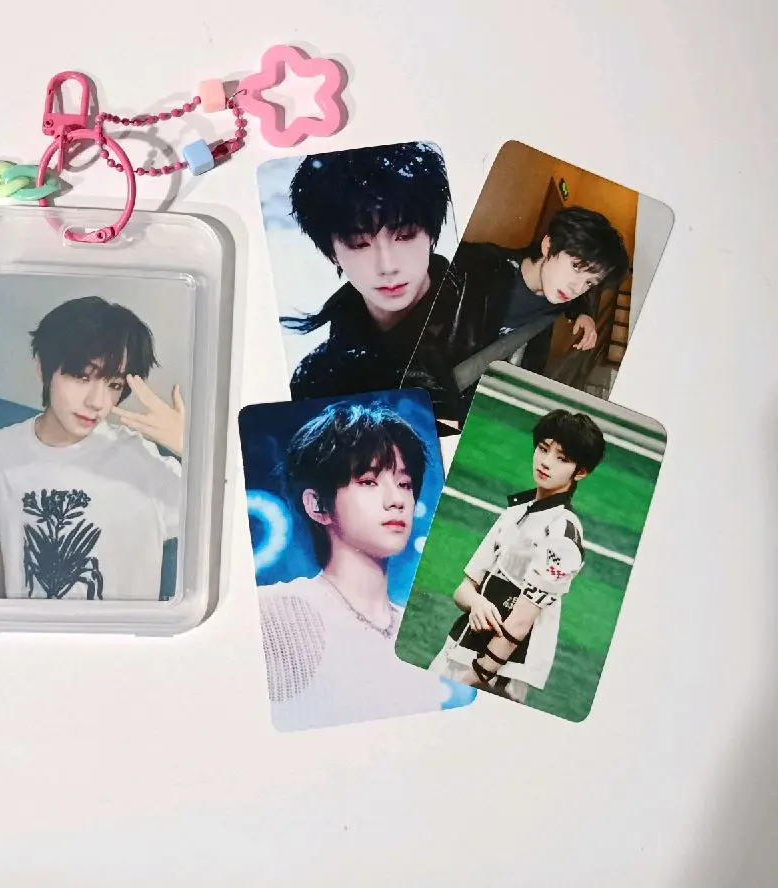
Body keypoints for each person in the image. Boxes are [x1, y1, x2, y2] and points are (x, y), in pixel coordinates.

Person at [256, 400, 473, 729]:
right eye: (369, 481)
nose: (396, 500)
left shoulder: (418, 635)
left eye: (404, 484)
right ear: (317, 505)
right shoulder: (279, 613)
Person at [0, 295, 185, 601]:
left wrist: (189, 449)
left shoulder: (141, 458)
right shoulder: (1, 451)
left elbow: (229, 522)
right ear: (43, 369)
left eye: (114, 385)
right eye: (82, 376)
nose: (97, 402)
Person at [427, 408, 606, 703]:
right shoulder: (516, 511)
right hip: (458, 647)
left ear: (581, 472)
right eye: (543, 449)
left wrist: (477, 676)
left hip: (501, 672)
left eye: (562, 458)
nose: (546, 462)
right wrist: (477, 603)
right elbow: (463, 590)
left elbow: (521, 622)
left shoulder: (562, 534)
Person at [403, 206, 630, 434]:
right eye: (575, 267)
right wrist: (444, 407)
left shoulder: (554, 305)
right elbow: (409, 335)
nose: (577, 288)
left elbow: (577, 300)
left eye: (590, 282)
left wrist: (585, 314)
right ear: (548, 245)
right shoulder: (475, 267)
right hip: (416, 399)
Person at [279, 142, 453, 401]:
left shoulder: (495, 316)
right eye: (359, 243)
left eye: (405, 235)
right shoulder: (316, 381)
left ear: (430, 235)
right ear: (332, 253)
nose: (387, 267)